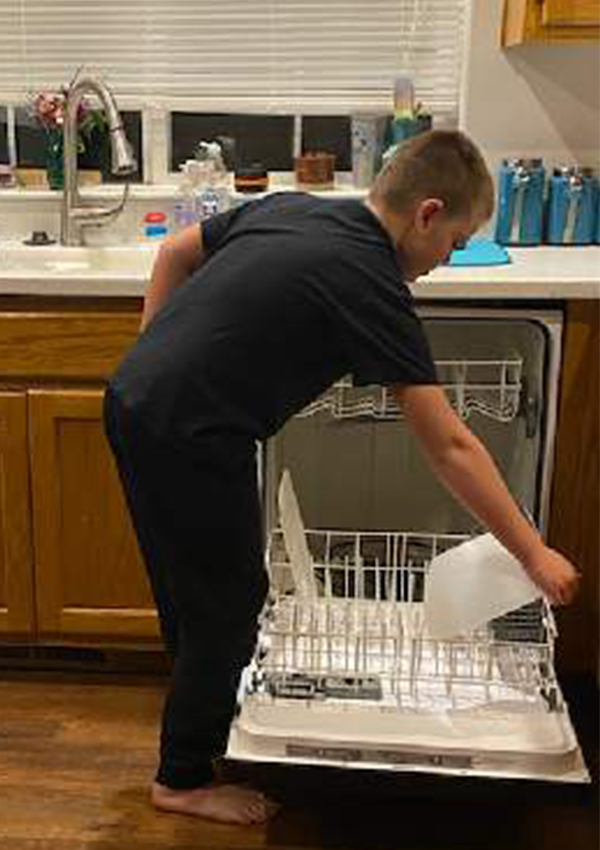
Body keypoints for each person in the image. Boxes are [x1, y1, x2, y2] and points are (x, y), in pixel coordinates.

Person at [103, 130, 579, 825]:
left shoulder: (303, 210)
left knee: (194, 591)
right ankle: (179, 778)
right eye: (454, 241)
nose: (446, 261)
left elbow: (176, 251)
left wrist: (156, 356)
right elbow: (449, 444)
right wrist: (531, 553)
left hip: (136, 399)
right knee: (230, 605)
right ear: (426, 213)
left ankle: (202, 723)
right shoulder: (371, 283)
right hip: (193, 434)